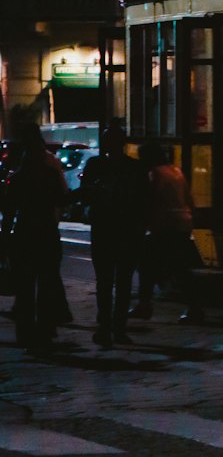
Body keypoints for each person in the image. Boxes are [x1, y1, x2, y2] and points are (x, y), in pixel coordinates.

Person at [79, 123, 149, 347]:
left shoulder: (95, 165)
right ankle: (118, 328)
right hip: (127, 230)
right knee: (123, 282)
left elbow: (86, 195)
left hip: (105, 229)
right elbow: (144, 200)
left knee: (105, 282)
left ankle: (106, 327)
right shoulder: (136, 168)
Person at [2, 123, 70, 349]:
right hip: (46, 231)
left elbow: (9, 210)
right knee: (47, 282)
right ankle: (45, 327)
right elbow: (62, 200)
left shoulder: (18, 177)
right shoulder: (50, 175)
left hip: (24, 232)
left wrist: (5, 237)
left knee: (25, 286)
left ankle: (26, 330)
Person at [133, 141, 201, 322]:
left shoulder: (154, 174)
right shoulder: (176, 171)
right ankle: (194, 307)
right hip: (182, 223)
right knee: (180, 266)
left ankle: (145, 305)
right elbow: (188, 198)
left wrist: (143, 222)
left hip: (164, 225)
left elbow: (150, 199)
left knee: (147, 266)